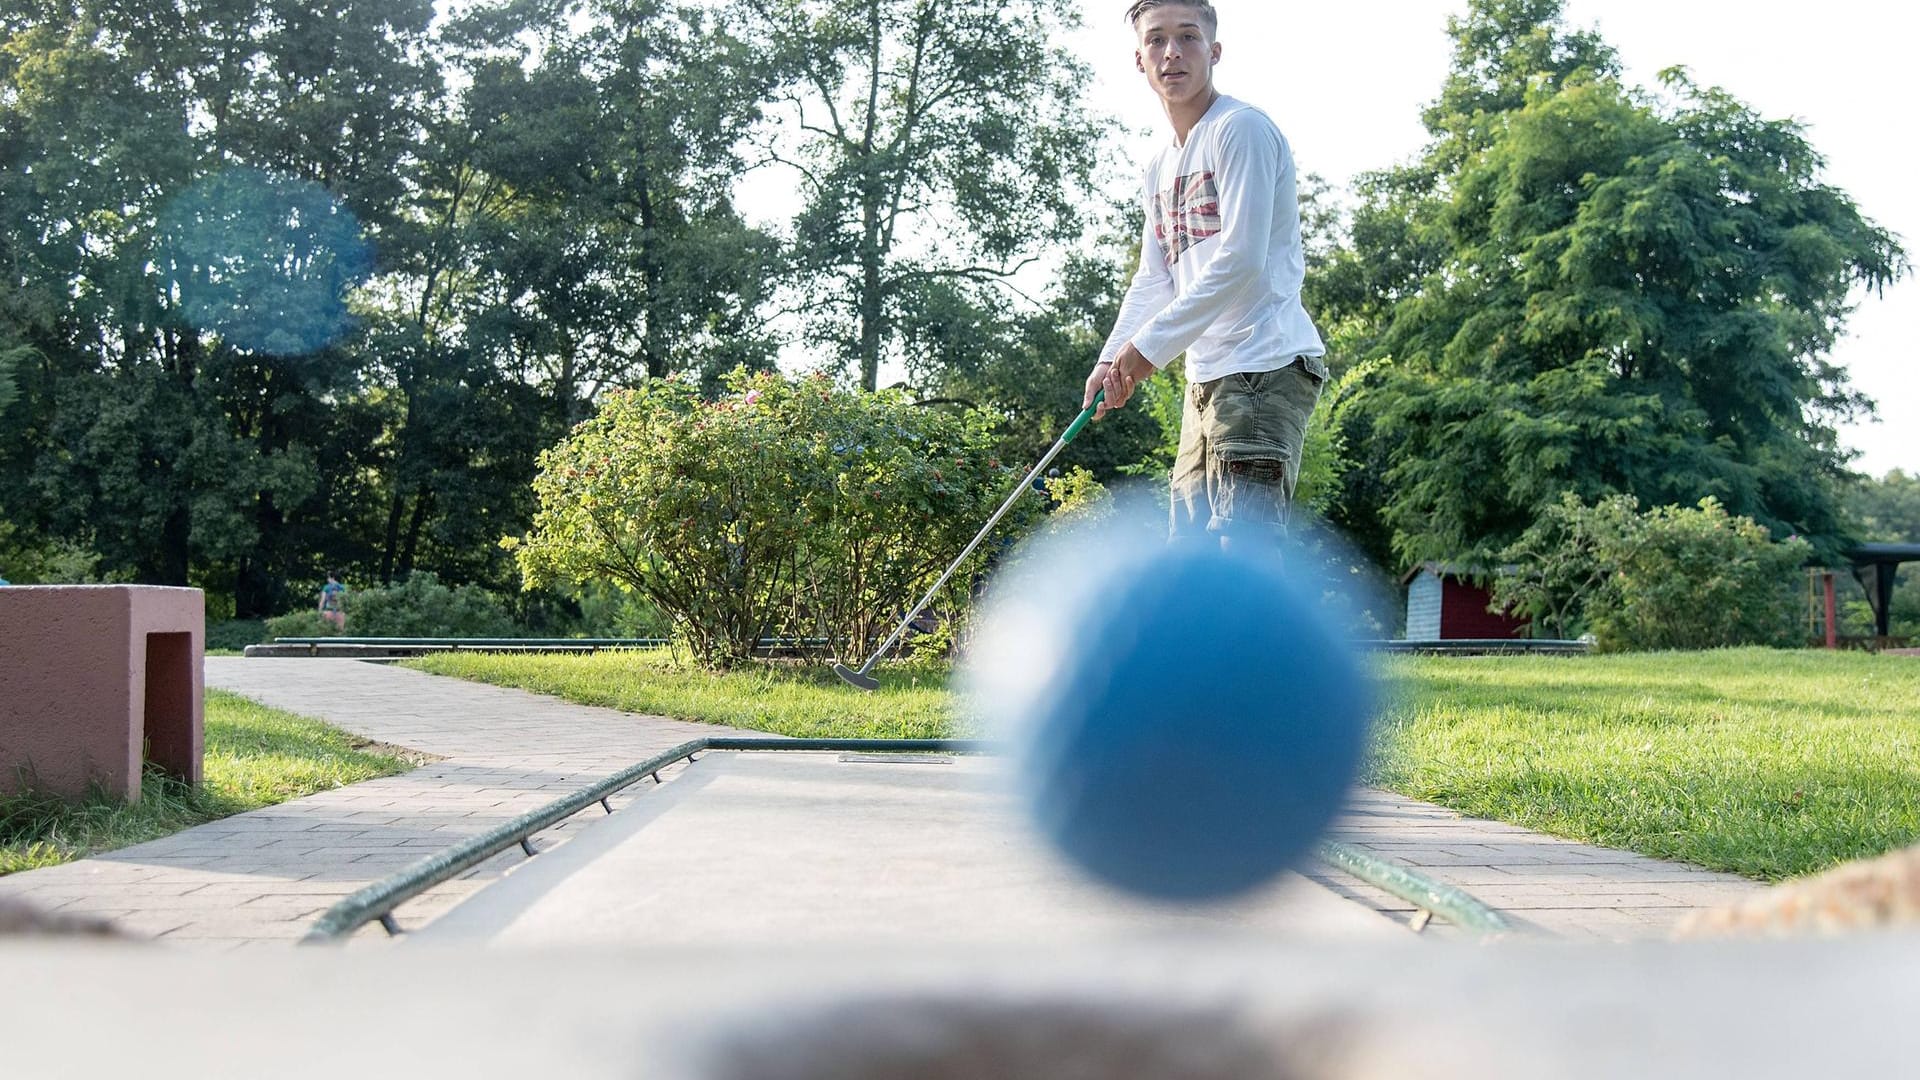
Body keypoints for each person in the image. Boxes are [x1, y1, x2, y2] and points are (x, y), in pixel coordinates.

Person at [1087, 0, 1328, 547]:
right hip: (1207, 379)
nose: (1172, 52)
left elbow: (1242, 258)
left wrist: (1146, 353)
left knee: (1241, 562)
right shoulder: (1158, 165)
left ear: (1214, 51)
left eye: (1188, 37)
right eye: (1157, 40)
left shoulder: (1240, 130)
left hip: (1263, 367)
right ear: (1139, 59)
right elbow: (1154, 278)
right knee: (1191, 563)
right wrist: (1111, 357)